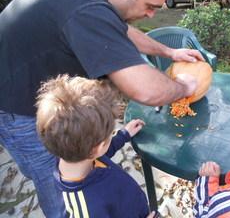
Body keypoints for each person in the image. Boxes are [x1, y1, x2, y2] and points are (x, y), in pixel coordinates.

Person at [0, 0, 204, 216]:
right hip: (17, 108)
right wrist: (184, 88)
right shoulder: (84, 7)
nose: (150, 15)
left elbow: (122, 31)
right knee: (55, 188)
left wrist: (169, 51)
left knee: (74, 161)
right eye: (150, 6)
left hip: (44, 99)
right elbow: (145, 89)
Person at [36, 74, 156, 217]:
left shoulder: (74, 154)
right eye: (109, 136)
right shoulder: (85, 210)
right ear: (98, 147)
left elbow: (101, 155)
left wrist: (123, 135)